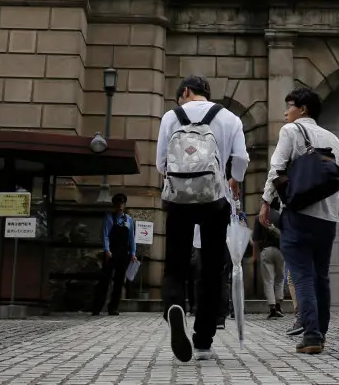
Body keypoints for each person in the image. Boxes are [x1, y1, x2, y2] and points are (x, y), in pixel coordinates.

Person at [157, 75, 248, 363]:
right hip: (214, 199)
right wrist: (234, 180)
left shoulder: (171, 117)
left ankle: (174, 306)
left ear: (185, 91)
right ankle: (203, 341)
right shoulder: (230, 118)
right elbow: (242, 158)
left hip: (178, 200)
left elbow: (161, 163)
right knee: (211, 269)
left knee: (175, 264)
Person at [260, 86, 339, 355]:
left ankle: (312, 335)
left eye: (289, 106)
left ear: (302, 109)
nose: (285, 112)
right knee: (321, 276)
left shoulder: (290, 131)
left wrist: (266, 202)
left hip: (298, 216)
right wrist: (337, 208)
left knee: (301, 275)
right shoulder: (332, 138)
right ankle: (320, 333)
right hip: (327, 220)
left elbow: (276, 168)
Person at [91, 193, 137, 316]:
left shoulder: (129, 220)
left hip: (123, 253)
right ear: (115, 204)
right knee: (105, 280)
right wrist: (107, 250)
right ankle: (97, 307)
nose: (120, 205)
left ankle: (113, 307)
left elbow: (131, 238)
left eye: (122, 203)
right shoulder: (109, 217)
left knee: (119, 281)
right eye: (118, 203)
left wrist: (133, 253)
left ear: (124, 204)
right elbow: (105, 234)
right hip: (111, 252)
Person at [253, 199, 286, 318]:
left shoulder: (259, 217)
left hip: (266, 250)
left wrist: (255, 255)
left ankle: (272, 307)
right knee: (280, 279)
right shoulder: (281, 216)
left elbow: (255, 239)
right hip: (280, 250)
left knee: (268, 280)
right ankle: (279, 305)